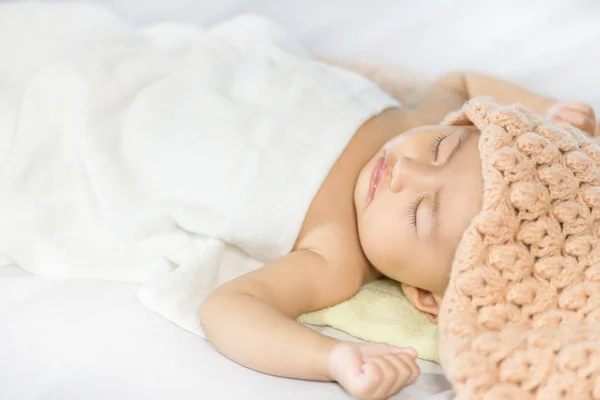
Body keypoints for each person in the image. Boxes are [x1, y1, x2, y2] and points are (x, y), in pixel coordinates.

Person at [1, 7, 597, 400]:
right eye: (442, 147)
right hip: (138, 66)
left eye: (421, 213)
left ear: (425, 296)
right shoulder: (415, 117)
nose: (405, 172)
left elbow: (229, 309)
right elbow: (465, 83)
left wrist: (332, 358)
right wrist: (543, 112)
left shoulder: (334, 256)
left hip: (77, 137)